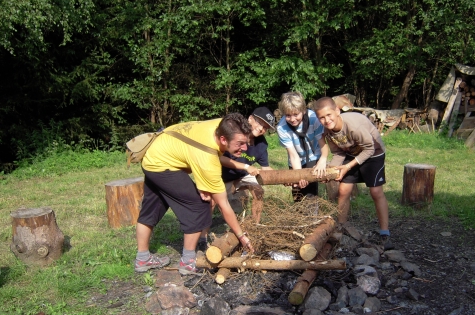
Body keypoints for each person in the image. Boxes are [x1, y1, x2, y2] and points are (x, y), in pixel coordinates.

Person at [134, 113, 254, 275]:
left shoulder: (224, 125)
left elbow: (196, 154)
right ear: (223, 139)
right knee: (199, 206)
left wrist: (205, 185)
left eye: (246, 142)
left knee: (152, 207)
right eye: (240, 143)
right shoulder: (208, 158)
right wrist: (241, 236)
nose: (245, 148)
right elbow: (223, 205)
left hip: (154, 155)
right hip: (162, 164)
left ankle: (142, 259)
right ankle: (188, 263)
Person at [313, 96, 393, 249]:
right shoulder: (327, 131)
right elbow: (338, 153)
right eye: (321, 118)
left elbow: (369, 149)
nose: (326, 120)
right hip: (351, 153)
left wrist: (348, 166)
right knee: (343, 190)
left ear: (337, 111)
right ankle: (341, 226)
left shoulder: (353, 126)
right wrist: (330, 172)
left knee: (376, 192)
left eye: (329, 115)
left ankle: (384, 232)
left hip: (373, 152)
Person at [220, 107, 276, 224]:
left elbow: (265, 167)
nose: (261, 128)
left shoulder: (261, 144)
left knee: (258, 191)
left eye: (265, 127)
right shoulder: (234, 133)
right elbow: (220, 158)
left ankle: (255, 224)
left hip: (243, 175)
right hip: (223, 176)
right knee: (212, 201)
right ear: (250, 118)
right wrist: (246, 167)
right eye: (259, 123)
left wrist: (283, 178)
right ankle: (203, 230)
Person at [276, 92, 329, 202]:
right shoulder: (281, 127)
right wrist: (298, 175)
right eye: (288, 115)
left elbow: (322, 143)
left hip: (313, 156)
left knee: (310, 192)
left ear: (303, 110)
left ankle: (312, 211)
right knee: (297, 190)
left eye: (296, 114)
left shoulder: (314, 119)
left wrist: (322, 160)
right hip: (296, 159)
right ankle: (298, 211)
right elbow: (293, 155)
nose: (292, 119)